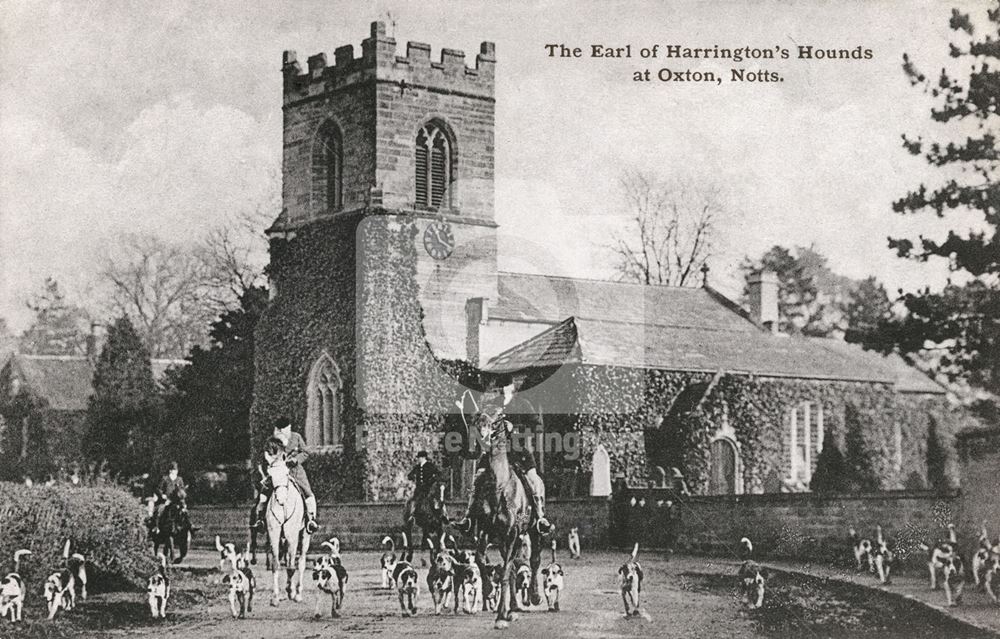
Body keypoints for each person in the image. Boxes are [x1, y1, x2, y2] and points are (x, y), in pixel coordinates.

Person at [456, 376, 552, 534]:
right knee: (477, 479)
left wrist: (515, 428)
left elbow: (538, 427)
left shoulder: (523, 404)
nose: (501, 391)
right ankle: (469, 517)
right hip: (494, 455)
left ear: (511, 388)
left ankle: (540, 517)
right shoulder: (492, 407)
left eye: (504, 387)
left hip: (518, 453)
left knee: (534, 480)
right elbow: (481, 423)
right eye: (499, 388)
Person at [252, 418, 320, 535]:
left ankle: (310, 520)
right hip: (278, 472)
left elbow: (305, 452)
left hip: (295, 471)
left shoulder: (296, 437)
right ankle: (260, 519)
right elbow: (267, 455)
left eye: (287, 429)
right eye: (282, 430)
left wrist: (296, 459)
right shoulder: (272, 441)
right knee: (264, 494)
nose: (285, 432)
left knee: (308, 493)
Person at [404, 451, 443, 522]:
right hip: (419, 489)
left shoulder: (430, 466)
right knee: (412, 501)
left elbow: (438, 474)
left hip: (428, 488)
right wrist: (412, 477)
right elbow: (410, 475)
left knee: (433, 501)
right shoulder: (417, 467)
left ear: (423, 458)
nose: (418, 459)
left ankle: (438, 515)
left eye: (419, 458)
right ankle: (411, 516)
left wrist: (432, 480)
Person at [153, 461, 187, 532]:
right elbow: (159, 489)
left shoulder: (179, 479)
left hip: (177, 500)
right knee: (160, 510)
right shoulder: (165, 479)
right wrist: (162, 495)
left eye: (177, 470)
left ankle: (190, 526)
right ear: (170, 470)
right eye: (174, 470)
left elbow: (182, 489)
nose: (176, 471)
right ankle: (157, 527)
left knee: (184, 511)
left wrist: (181, 493)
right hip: (166, 500)